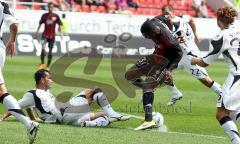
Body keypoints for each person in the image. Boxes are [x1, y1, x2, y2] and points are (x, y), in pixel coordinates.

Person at [0, 69, 130, 127]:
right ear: (41, 80)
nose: (51, 80)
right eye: (49, 78)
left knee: (103, 115)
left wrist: (34, 118)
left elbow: (28, 105)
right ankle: (112, 113)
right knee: (93, 90)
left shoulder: (42, 95)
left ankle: (90, 124)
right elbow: (15, 105)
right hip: (63, 112)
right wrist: (3, 116)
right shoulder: (33, 93)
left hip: (66, 118)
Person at [191, 6, 240, 144]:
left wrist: (194, 60)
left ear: (218, 20)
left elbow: (205, 62)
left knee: (222, 114)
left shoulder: (221, 35)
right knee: (233, 112)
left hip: (237, 77)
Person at [125, 15, 183, 130]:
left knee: (148, 85)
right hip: (154, 57)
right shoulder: (155, 21)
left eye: (147, 36)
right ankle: (148, 90)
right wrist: (172, 31)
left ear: (152, 32)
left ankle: (148, 120)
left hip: (164, 62)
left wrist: (169, 70)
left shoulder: (169, 42)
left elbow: (179, 53)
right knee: (129, 75)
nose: (147, 38)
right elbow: (167, 17)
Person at [162, 5, 222, 106]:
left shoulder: (173, 26)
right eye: (164, 14)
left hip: (189, 56)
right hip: (182, 57)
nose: (166, 16)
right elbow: (191, 19)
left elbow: (174, 41)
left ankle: (223, 93)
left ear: (172, 12)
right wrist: (196, 35)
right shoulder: (183, 18)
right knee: (163, 72)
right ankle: (175, 93)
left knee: (205, 80)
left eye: (167, 14)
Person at [0, 1, 39, 143]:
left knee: (2, 91)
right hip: (0, 49)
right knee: (1, 91)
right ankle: (29, 124)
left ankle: (29, 124)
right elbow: (14, 25)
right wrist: (12, 40)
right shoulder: (2, 5)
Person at [34, 2, 63, 69]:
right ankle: (42, 63)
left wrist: (61, 34)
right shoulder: (44, 16)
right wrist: (36, 33)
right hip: (45, 35)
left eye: (52, 7)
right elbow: (40, 25)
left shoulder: (56, 16)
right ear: (48, 7)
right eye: (49, 7)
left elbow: (60, 24)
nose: (50, 8)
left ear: (53, 8)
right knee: (43, 49)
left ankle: (48, 66)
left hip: (52, 36)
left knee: (50, 52)